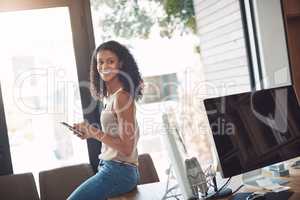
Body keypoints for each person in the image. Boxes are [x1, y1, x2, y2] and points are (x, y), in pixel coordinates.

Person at [68, 40, 143, 200]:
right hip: (112, 168)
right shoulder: (110, 98)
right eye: (100, 62)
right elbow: (115, 139)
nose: (104, 66)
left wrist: (93, 131)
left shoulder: (122, 97)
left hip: (119, 171)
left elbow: (126, 147)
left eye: (110, 61)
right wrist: (88, 133)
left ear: (120, 64)